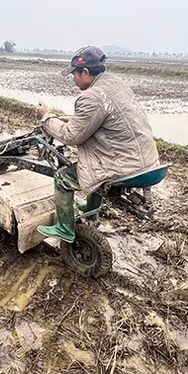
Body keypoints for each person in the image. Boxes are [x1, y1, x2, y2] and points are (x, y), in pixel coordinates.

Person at [35, 46, 160, 242]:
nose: (74, 80)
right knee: (96, 166)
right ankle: (92, 213)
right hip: (148, 161)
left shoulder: (91, 97)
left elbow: (70, 136)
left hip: (126, 165)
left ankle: (64, 228)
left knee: (63, 178)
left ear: (85, 72)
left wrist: (47, 117)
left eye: (74, 74)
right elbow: (101, 119)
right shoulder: (116, 84)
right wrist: (69, 118)